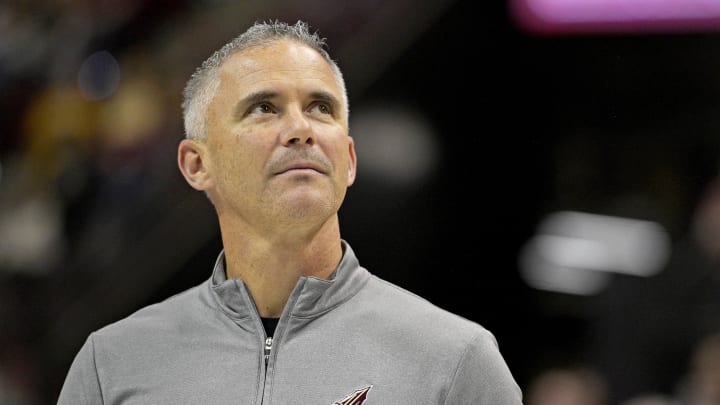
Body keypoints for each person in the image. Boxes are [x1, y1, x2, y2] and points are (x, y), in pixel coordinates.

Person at [56, 19, 522, 404]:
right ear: (197, 165)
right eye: (263, 108)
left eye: (321, 108)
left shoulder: (456, 359)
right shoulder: (112, 364)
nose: (301, 129)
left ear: (350, 160)